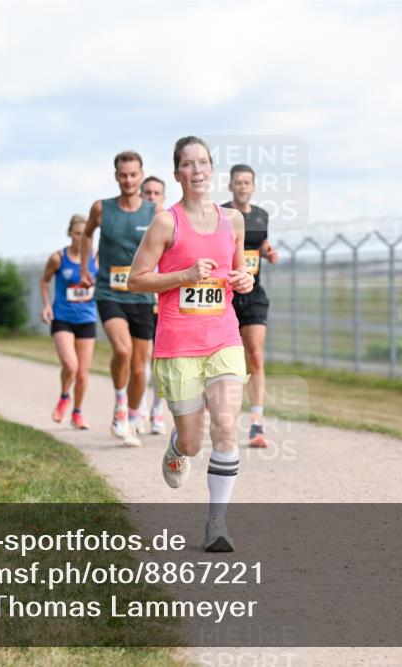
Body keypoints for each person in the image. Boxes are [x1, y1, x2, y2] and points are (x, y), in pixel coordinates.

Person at [128, 136, 254, 553]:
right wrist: (183, 276)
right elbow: (137, 279)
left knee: (225, 426)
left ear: (212, 169)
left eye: (203, 162)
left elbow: (240, 271)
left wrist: (245, 279)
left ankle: (217, 524)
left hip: (223, 337)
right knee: (195, 440)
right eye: (188, 164)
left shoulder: (232, 220)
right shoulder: (167, 223)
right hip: (179, 343)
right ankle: (178, 447)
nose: (197, 170)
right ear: (177, 172)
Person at [81, 150, 157, 447]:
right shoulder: (101, 208)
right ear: (116, 176)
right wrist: (87, 267)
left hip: (142, 294)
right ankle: (119, 407)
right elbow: (87, 235)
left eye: (133, 174)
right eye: (123, 175)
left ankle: (133, 416)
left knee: (140, 366)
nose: (128, 180)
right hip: (109, 292)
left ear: (141, 175)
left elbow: (165, 247)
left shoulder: (153, 211)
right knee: (122, 351)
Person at [222, 164, 279, 447]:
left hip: (254, 293)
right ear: (230, 186)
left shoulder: (261, 215)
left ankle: (257, 424)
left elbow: (261, 243)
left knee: (255, 356)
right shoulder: (221, 214)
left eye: (247, 182)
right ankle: (218, 409)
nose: (243, 187)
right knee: (224, 358)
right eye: (238, 182)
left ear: (253, 186)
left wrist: (268, 253)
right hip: (225, 294)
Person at [40, 215, 98, 430]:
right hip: (63, 318)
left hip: (87, 319)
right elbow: (44, 281)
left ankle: (77, 413)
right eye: (76, 234)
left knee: (83, 372)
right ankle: (64, 397)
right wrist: (47, 305)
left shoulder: (97, 258)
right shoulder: (58, 258)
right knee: (71, 366)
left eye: (85, 234)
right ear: (69, 234)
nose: (80, 238)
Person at [140, 175, 169, 436]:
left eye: (156, 193)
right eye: (147, 193)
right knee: (141, 358)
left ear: (163, 197)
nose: (151, 197)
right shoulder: (133, 226)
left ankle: (157, 410)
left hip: (165, 302)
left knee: (159, 361)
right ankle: (137, 409)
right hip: (139, 300)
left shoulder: (171, 224)